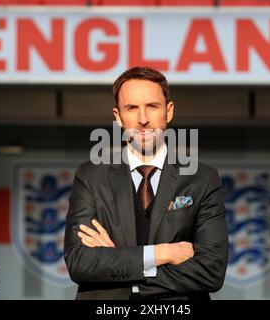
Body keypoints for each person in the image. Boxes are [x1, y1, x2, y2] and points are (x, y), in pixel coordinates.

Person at [64, 66, 228, 300]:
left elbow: (211, 271)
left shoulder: (202, 178)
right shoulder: (90, 176)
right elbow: (79, 262)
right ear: (118, 116)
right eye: (131, 108)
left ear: (168, 111)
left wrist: (121, 265)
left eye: (152, 106)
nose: (143, 119)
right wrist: (162, 253)